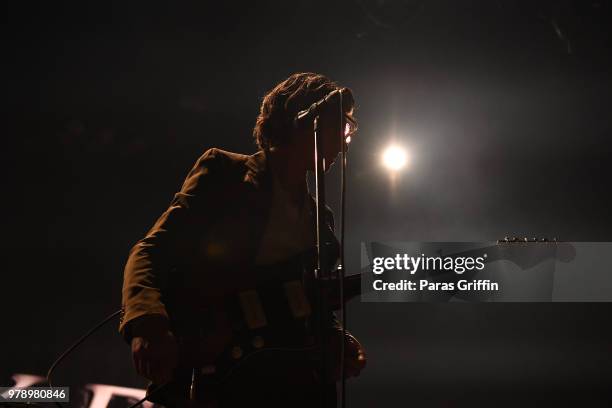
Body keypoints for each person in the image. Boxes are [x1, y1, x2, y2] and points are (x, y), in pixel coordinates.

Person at [119, 72, 366, 407]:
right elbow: (152, 249)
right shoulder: (225, 173)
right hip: (219, 383)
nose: (343, 142)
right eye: (342, 127)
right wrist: (148, 326)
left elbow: (309, 303)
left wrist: (334, 338)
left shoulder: (322, 221)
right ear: (304, 122)